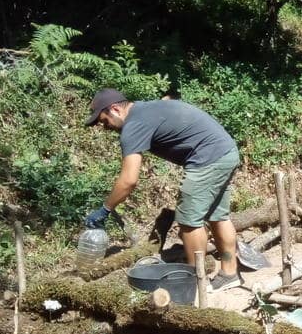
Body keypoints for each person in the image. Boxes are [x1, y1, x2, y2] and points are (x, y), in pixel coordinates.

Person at [83, 88, 243, 292]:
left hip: (207, 159)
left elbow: (129, 180)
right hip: (225, 151)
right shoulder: (146, 108)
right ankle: (229, 274)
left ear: (115, 109)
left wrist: (105, 208)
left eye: (104, 121)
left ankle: (195, 282)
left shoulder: (133, 125)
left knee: (188, 221)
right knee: (217, 216)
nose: (105, 128)